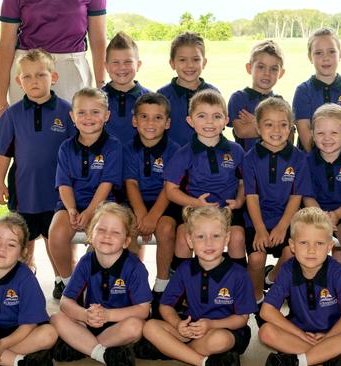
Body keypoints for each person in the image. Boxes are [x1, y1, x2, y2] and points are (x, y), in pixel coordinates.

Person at [139, 206, 256, 366]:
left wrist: (210, 325)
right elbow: (165, 306)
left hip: (224, 330)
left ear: (227, 238)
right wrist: (178, 324)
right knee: (149, 326)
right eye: (200, 237)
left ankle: (169, 350)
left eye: (216, 236)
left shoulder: (239, 274)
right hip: (189, 330)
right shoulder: (185, 269)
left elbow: (241, 319)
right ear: (190, 240)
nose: (209, 243)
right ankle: (204, 362)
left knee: (221, 340)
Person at [0, 49, 75, 278]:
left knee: (53, 237)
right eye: (27, 77)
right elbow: (3, 152)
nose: (34, 81)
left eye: (40, 75)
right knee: (22, 237)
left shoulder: (67, 111)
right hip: (24, 189)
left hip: (57, 192)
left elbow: (77, 151)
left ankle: (60, 279)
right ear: (19, 81)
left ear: (53, 77)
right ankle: (24, 278)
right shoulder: (12, 114)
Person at [258, 207, 341, 366]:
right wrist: (301, 335)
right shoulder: (287, 270)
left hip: (334, 333)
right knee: (265, 332)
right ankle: (330, 357)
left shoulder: (335, 270)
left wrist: (329, 336)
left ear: (330, 246)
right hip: (300, 333)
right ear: (292, 246)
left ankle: (297, 362)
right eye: (303, 243)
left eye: (319, 243)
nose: (311, 250)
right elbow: (267, 311)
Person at [51, 203, 151, 366]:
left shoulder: (135, 267)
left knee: (136, 327)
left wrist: (108, 315)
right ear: (90, 234)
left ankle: (83, 346)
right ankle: (102, 353)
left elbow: (143, 310)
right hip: (88, 322)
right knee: (56, 318)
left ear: (126, 241)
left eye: (115, 232)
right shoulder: (86, 262)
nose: (107, 236)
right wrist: (84, 315)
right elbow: (65, 302)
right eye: (101, 230)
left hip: (118, 325)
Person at [48, 87, 123, 298]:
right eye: (81, 112)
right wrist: (71, 209)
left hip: (102, 205)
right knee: (56, 234)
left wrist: (90, 212)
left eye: (95, 112)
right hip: (72, 203)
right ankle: (70, 284)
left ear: (106, 116)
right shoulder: (66, 147)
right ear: (72, 117)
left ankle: (94, 286)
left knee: (100, 238)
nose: (88, 117)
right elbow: (64, 184)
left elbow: (107, 183)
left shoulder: (113, 146)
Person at [242, 97, 312, 318]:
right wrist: (260, 229)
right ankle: (257, 298)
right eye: (269, 124)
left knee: (292, 253)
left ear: (291, 127)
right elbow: (251, 197)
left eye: (283, 124)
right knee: (255, 259)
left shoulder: (298, 158)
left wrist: (283, 226)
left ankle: (271, 279)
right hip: (257, 218)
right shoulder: (250, 158)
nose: (276, 130)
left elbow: (296, 196)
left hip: (287, 217)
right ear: (258, 127)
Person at [164, 89, 246, 267]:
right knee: (183, 236)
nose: (210, 122)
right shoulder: (183, 153)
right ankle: (183, 283)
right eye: (202, 116)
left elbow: (243, 182)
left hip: (227, 210)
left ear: (226, 121)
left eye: (217, 116)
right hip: (194, 210)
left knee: (237, 237)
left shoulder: (236, 151)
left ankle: (238, 285)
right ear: (190, 121)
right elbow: (170, 191)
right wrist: (195, 203)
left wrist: (239, 200)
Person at [0, 214, 57, 366]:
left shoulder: (26, 278)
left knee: (49, 334)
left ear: (22, 254)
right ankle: (20, 362)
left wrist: (2, 344)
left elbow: (30, 324)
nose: (1, 248)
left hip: (18, 334)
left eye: (11, 245)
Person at [123, 93, 181, 310]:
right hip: (136, 202)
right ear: (134, 121)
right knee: (129, 229)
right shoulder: (128, 149)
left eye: (158, 118)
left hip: (165, 201)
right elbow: (131, 184)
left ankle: (162, 285)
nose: (150, 123)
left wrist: (153, 217)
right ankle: (134, 284)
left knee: (166, 228)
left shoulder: (174, 150)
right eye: (144, 117)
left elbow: (169, 188)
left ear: (167, 123)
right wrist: (141, 216)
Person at [304, 103, 341, 286]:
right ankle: (310, 287)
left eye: (334, 133)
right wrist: (323, 218)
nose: (327, 138)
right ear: (313, 135)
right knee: (310, 236)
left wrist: (336, 215)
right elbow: (307, 197)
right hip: (314, 213)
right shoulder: (307, 161)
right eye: (321, 133)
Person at [293, 28, 341, 151]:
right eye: (318, 53)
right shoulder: (303, 91)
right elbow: (305, 134)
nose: (325, 58)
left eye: (331, 51)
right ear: (310, 57)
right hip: (311, 163)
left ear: (340, 54)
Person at [158, 32, 219, 147]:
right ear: (172, 63)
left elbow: (219, 129)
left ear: (204, 62)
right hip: (172, 159)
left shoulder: (213, 94)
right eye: (182, 60)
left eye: (196, 59)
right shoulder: (162, 96)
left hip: (205, 159)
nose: (189, 65)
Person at [228, 40, 286, 151]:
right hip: (246, 164)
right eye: (261, 67)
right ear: (249, 68)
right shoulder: (238, 98)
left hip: (276, 163)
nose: (267, 73)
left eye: (274, 69)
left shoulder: (281, 103)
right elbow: (242, 132)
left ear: (281, 73)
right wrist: (274, 126)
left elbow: (288, 137)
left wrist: (256, 122)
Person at [103, 32, 150, 146]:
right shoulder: (96, 99)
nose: (122, 67)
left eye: (128, 62)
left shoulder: (151, 99)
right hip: (106, 162)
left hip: (139, 163)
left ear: (138, 65)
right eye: (115, 62)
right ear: (106, 66)